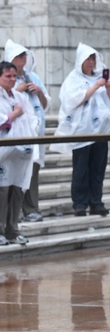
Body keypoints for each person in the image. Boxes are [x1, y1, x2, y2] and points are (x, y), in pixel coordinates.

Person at [52, 43, 110, 216]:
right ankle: (80, 203)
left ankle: (96, 202)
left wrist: (108, 88)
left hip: (101, 131)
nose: (91, 63)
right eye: (88, 59)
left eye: (93, 59)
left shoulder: (100, 78)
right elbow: (72, 101)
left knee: (98, 169)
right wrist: (94, 87)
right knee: (81, 169)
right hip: (82, 131)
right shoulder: (73, 79)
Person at [3, 40, 48, 223]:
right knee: (11, 179)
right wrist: (18, 89)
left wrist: (38, 92)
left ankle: (30, 208)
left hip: (34, 135)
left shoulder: (33, 78)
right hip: (12, 139)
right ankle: (11, 216)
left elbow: (44, 105)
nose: (23, 60)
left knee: (31, 172)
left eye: (24, 57)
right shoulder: (8, 85)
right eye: (19, 57)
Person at [0, 62, 36, 245]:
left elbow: (31, 119)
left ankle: (12, 229)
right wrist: (13, 115)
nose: (12, 80)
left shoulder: (20, 97)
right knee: (2, 190)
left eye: (14, 76)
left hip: (21, 152)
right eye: (8, 76)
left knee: (17, 189)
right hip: (3, 153)